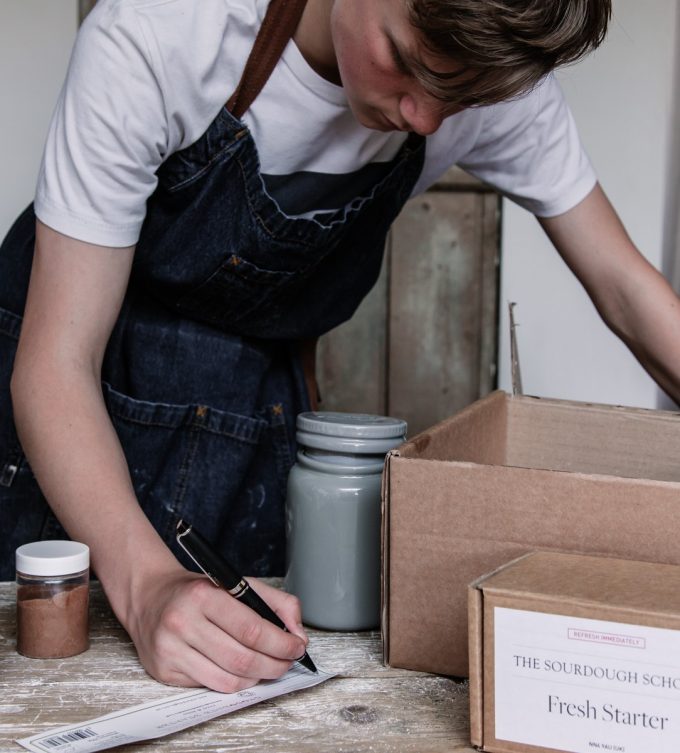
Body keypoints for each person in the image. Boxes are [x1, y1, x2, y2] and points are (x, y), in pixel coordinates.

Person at [2, 0, 679, 692]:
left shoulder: (485, 75)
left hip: (249, 418)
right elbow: (56, 363)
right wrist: (145, 583)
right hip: (73, 420)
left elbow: (625, 287)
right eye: (406, 64)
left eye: (461, 97)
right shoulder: (164, 30)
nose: (423, 119)